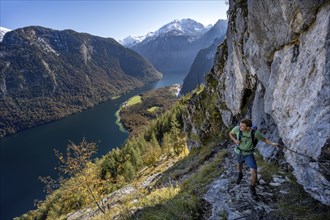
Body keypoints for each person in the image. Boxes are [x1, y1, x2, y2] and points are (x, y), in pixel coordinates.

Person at [229, 119, 279, 201]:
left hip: (248, 154)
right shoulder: (237, 129)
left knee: (254, 172)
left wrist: (272, 143)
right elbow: (230, 133)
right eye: (240, 125)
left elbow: (264, 139)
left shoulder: (255, 133)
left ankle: (252, 188)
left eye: (242, 126)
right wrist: (235, 140)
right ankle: (240, 174)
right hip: (239, 152)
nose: (240, 127)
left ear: (248, 127)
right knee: (239, 164)